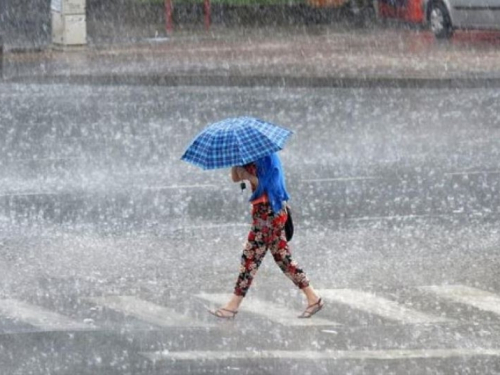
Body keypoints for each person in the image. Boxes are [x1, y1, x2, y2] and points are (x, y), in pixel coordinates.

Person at [209, 153, 324, 319]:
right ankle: (313, 298)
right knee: (283, 259)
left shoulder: (268, 159)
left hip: (270, 214)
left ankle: (232, 307)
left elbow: (270, 186)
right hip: (263, 214)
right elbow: (235, 178)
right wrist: (236, 164)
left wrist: (248, 176)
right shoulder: (249, 157)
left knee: (250, 260)